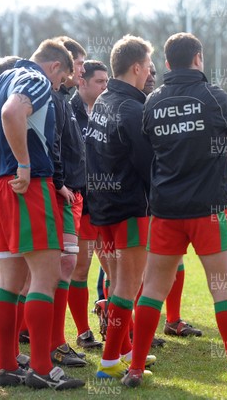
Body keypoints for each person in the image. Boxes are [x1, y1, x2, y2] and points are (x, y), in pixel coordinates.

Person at [126, 31, 227, 390]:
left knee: (153, 288)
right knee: (224, 289)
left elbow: (148, 140)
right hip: (209, 207)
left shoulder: (153, 100)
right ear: (198, 59)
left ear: (168, 63)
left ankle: (136, 368)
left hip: (167, 209)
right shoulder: (212, 95)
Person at [0, 39, 84, 389]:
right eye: (62, 81)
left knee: (8, 281)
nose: (57, 89)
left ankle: (6, 365)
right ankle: (41, 367)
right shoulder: (34, 79)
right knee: (44, 274)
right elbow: (13, 113)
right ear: (54, 67)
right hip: (26, 186)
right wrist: (23, 163)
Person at [85, 35, 156, 380]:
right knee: (128, 287)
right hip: (128, 208)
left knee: (117, 284)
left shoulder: (103, 100)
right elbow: (147, 166)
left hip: (102, 209)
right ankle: (111, 361)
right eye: (148, 66)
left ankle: (125, 349)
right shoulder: (133, 108)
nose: (149, 73)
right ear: (137, 67)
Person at [140, 60, 202, 340]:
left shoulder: (157, 102)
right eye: (147, 71)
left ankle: (173, 319)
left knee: (174, 263)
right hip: (141, 199)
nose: (152, 76)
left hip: (162, 200)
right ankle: (130, 327)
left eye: (155, 71)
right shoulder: (140, 106)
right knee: (132, 267)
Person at [47, 36, 94, 365]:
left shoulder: (61, 97)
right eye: (78, 65)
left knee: (61, 268)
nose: (81, 72)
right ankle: (52, 343)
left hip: (71, 195)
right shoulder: (50, 97)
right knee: (58, 269)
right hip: (59, 195)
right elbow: (50, 145)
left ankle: (51, 340)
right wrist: (62, 183)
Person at [68, 59, 111, 345]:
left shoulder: (109, 110)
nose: (106, 87)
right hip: (81, 203)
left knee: (116, 267)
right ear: (81, 81)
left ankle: (118, 322)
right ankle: (83, 332)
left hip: (108, 203)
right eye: (100, 82)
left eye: (108, 81)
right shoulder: (67, 110)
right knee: (80, 269)